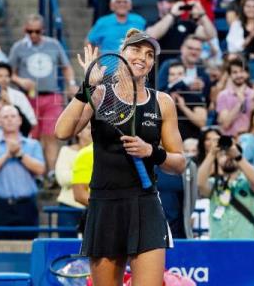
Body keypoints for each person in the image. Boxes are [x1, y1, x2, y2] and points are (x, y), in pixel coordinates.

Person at [55, 31, 185, 285]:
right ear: (122, 52)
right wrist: (87, 88)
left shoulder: (163, 102)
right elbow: (62, 131)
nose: (142, 58)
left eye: (149, 55)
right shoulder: (100, 93)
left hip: (145, 204)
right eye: (136, 50)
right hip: (105, 204)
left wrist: (152, 152)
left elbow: (179, 163)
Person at [9, 15, 78, 181]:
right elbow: (7, 72)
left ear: (43, 30)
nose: (33, 35)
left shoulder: (53, 44)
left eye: (37, 31)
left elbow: (66, 67)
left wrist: (71, 83)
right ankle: (37, 172)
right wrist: (20, 80)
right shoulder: (18, 47)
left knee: (51, 134)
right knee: (32, 136)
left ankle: (51, 171)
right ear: (24, 30)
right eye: (29, 31)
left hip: (51, 96)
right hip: (28, 98)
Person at [0, 105, 46, 239]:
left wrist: (20, 154)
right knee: (0, 250)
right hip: (0, 205)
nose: (9, 120)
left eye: (13, 116)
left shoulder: (33, 145)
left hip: (26, 205)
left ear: (20, 120)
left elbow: (40, 169)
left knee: (29, 247)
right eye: (5, 117)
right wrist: (7, 155)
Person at [197, 131, 254, 239]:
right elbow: (199, 183)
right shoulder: (214, 184)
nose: (228, 157)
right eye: (223, 155)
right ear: (217, 160)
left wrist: (237, 155)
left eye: (230, 153)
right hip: (219, 246)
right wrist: (212, 153)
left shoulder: (248, 182)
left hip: (247, 246)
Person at [146, 0, 217, 62]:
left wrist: (202, 14)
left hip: (182, 69)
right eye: (169, 2)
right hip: (158, 69)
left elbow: (210, 35)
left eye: (176, 2)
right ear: (159, 4)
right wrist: (172, 14)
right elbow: (152, 36)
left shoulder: (186, 24)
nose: (174, 5)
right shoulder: (152, 22)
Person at [55, 126, 92, 237]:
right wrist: (88, 173)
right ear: (79, 132)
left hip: (93, 206)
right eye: (88, 128)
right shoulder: (66, 151)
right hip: (69, 207)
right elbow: (62, 178)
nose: (92, 131)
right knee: (67, 248)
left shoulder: (102, 153)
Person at [216, 57, 254, 137]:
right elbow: (225, 124)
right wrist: (239, 103)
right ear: (230, 75)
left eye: (242, 71)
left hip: (251, 140)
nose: (239, 75)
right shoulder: (222, 96)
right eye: (235, 72)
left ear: (247, 74)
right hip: (230, 140)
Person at [157, 35, 211, 102]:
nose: (194, 52)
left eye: (197, 49)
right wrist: (185, 88)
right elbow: (158, 92)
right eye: (190, 48)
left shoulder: (203, 73)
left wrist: (202, 88)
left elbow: (205, 99)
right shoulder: (169, 65)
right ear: (182, 48)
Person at [163, 61, 208, 140]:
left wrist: (183, 107)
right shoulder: (161, 96)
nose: (176, 77)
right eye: (172, 74)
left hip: (191, 141)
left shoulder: (195, 97)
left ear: (185, 76)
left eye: (180, 74)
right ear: (168, 77)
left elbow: (202, 123)